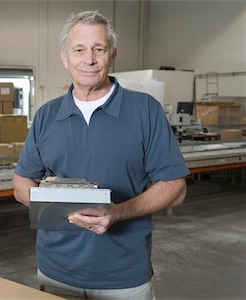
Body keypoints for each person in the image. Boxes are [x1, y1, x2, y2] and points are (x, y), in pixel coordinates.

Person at [13, 10, 189, 300]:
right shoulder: (47, 115)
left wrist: (118, 211)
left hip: (123, 276)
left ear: (112, 54)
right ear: (65, 57)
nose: (89, 59)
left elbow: (175, 187)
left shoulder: (145, 111)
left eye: (99, 49)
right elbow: (21, 182)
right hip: (56, 272)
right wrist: (50, 195)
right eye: (79, 50)